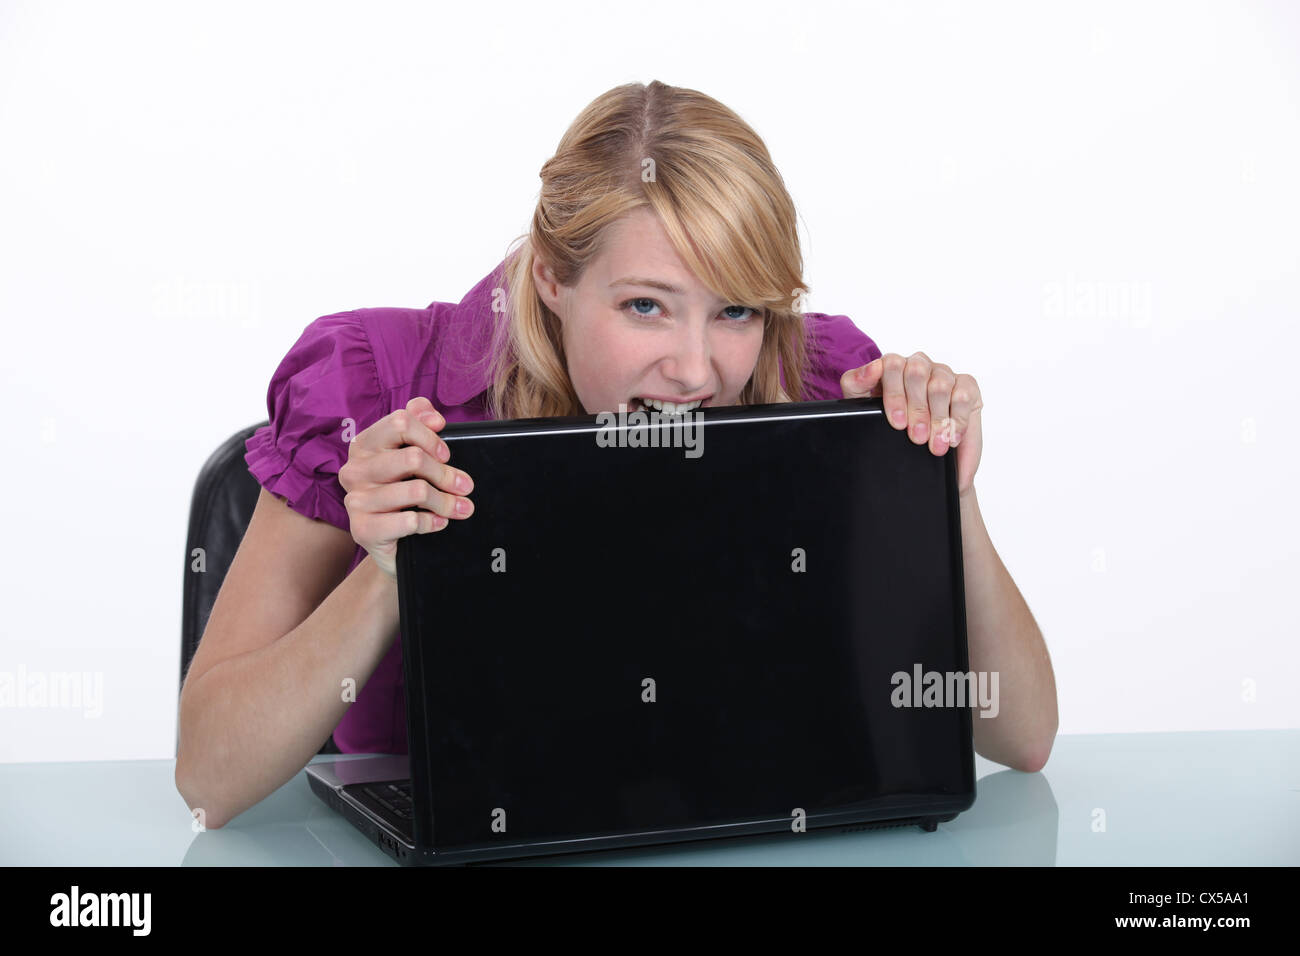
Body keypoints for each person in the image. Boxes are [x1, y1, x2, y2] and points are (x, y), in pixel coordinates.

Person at [176, 80, 1058, 830]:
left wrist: (948, 491)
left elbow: (1018, 735)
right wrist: (387, 571)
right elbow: (209, 778)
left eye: (736, 311)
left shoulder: (825, 382)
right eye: (645, 306)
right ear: (554, 278)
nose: (695, 367)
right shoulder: (373, 382)